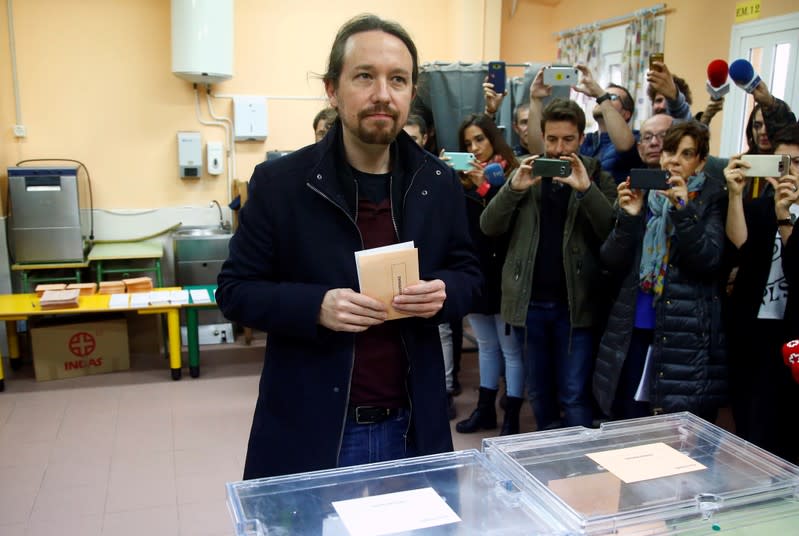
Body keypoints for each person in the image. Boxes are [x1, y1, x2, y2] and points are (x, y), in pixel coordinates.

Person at [217, 14, 482, 480]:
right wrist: (315, 305)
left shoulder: (436, 182)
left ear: (411, 92)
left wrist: (444, 292)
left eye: (397, 79)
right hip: (316, 427)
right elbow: (235, 290)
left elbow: (470, 275)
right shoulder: (281, 185)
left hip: (414, 426)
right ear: (332, 90)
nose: (383, 93)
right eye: (365, 76)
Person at [481, 98, 617, 430]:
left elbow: (611, 233)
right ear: (542, 136)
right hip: (529, 303)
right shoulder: (525, 171)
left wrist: (585, 189)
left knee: (573, 393)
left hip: (576, 305)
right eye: (552, 139)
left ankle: (582, 469)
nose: (558, 149)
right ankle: (547, 466)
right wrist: (513, 188)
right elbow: (488, 226)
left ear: (581, 139)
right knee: (539, 392)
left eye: (568, 140)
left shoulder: (596, 173)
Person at [593, 121, 728, 422]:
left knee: (675, 428)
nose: (674, 160)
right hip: (635, 325)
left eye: (686, 154)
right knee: (629, 418)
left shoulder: (711, 198)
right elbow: (610, 260)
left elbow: (708, 260)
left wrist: (683, 211)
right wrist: (628, 218)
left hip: (684, 333)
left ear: (701, 162)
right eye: (669, 151)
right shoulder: (644, 194)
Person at [723, 123, 799, 462]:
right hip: (753, 327)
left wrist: (786, 216)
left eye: (796, 162)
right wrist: (736, 195)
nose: (789, 170)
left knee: (780, 428)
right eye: (782, 162)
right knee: (749, 419)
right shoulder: (761, 206)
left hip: (791, 335)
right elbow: (741, 245)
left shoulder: (783, 210)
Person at [448, 114, 525, 436]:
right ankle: (485, 410)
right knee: (486, 346)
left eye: (480, 139)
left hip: (506, 275)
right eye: (467, 144)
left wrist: (487, 185)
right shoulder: (462, 182)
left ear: (494, 139)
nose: (475, 148)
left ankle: (512, 416)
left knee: (510, 349)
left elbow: (500, 225)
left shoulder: (514, 175)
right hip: (477, 275)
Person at [402, 114, 458, 420]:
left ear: (426, 138)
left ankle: (446, 388)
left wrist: (443, 286)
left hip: (428, 274)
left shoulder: (439, 177)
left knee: (442, 330)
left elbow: (464, 263)